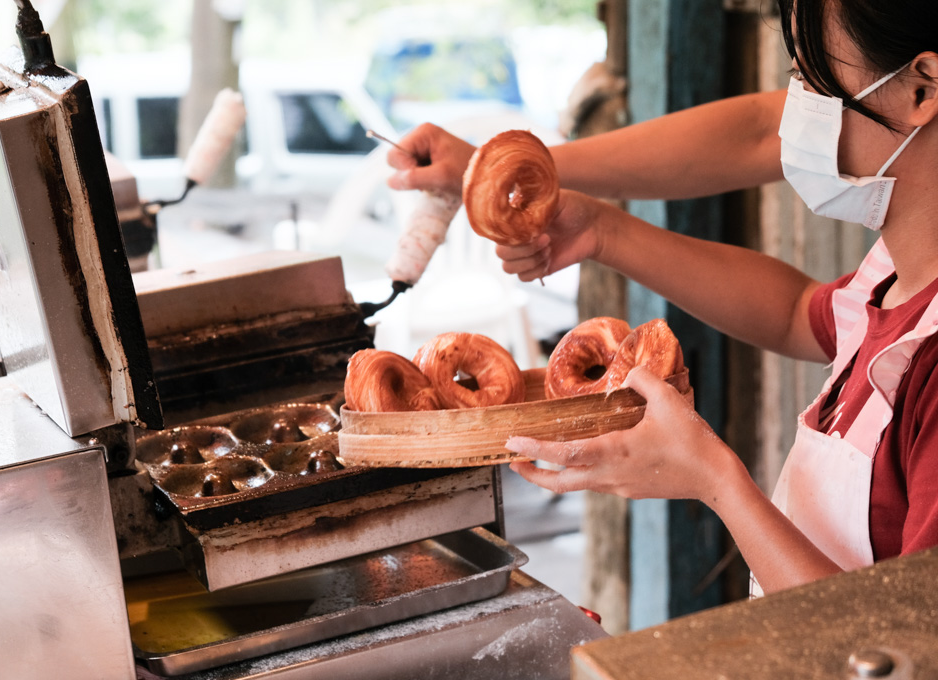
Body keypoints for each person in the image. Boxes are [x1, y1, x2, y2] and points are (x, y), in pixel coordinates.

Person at [384, 0, 938, 595]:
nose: (792, 112)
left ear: (921, 88)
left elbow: (916, 645)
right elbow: (794, 315)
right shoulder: (893, 278)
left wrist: (714, 479)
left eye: (809, 81)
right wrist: (602, 229)